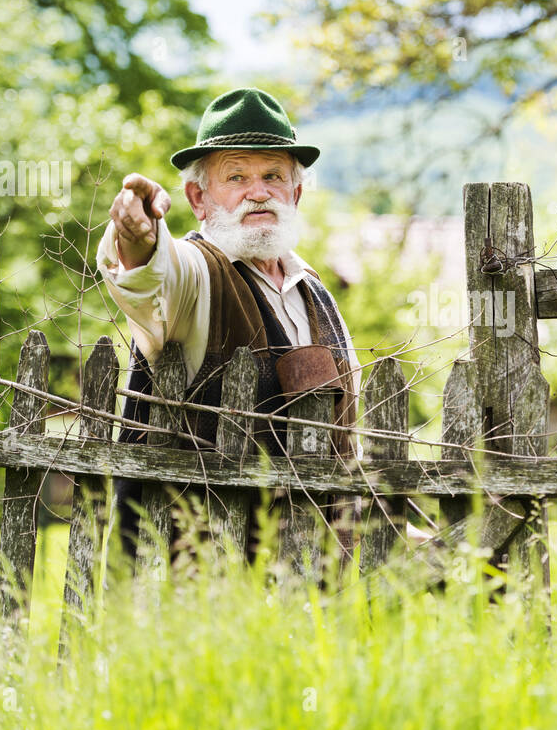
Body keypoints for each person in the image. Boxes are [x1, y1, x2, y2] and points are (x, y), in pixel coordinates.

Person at [96, 87, 361, 564]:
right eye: (236, 176)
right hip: (202, 580)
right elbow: (153, 277)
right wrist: (137, 237)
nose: (257, 191)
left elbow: (349, 446)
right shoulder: (199, 274)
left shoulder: (317, 292)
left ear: (295, 193)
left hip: (321, 579)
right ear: (198, 198)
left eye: (273, 175)